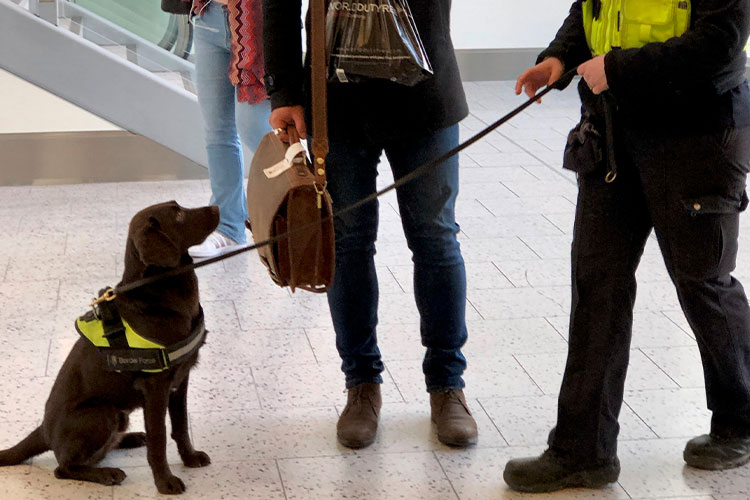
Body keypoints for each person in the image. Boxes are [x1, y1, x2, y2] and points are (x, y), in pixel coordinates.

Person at [505, 0, 750, 493]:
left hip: (696, 136)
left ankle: (741, 418)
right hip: (612, 133)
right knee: (597, 284)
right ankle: (583, 450)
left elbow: (723, 40)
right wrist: (560, 57)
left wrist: (617, 68)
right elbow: (593, 10)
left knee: (702, 283)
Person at [261, 0, 478, 449]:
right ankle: (360, 384)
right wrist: (284, 94)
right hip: (334, 101)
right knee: (349, 242)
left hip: (425, 89)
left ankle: (447, 386)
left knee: (436, 240)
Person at [187, 0, 271, 258]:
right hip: (207, 17)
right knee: (217, 132)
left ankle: (302, 211)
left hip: (258, 20)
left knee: (256, 130)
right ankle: (228, 228)